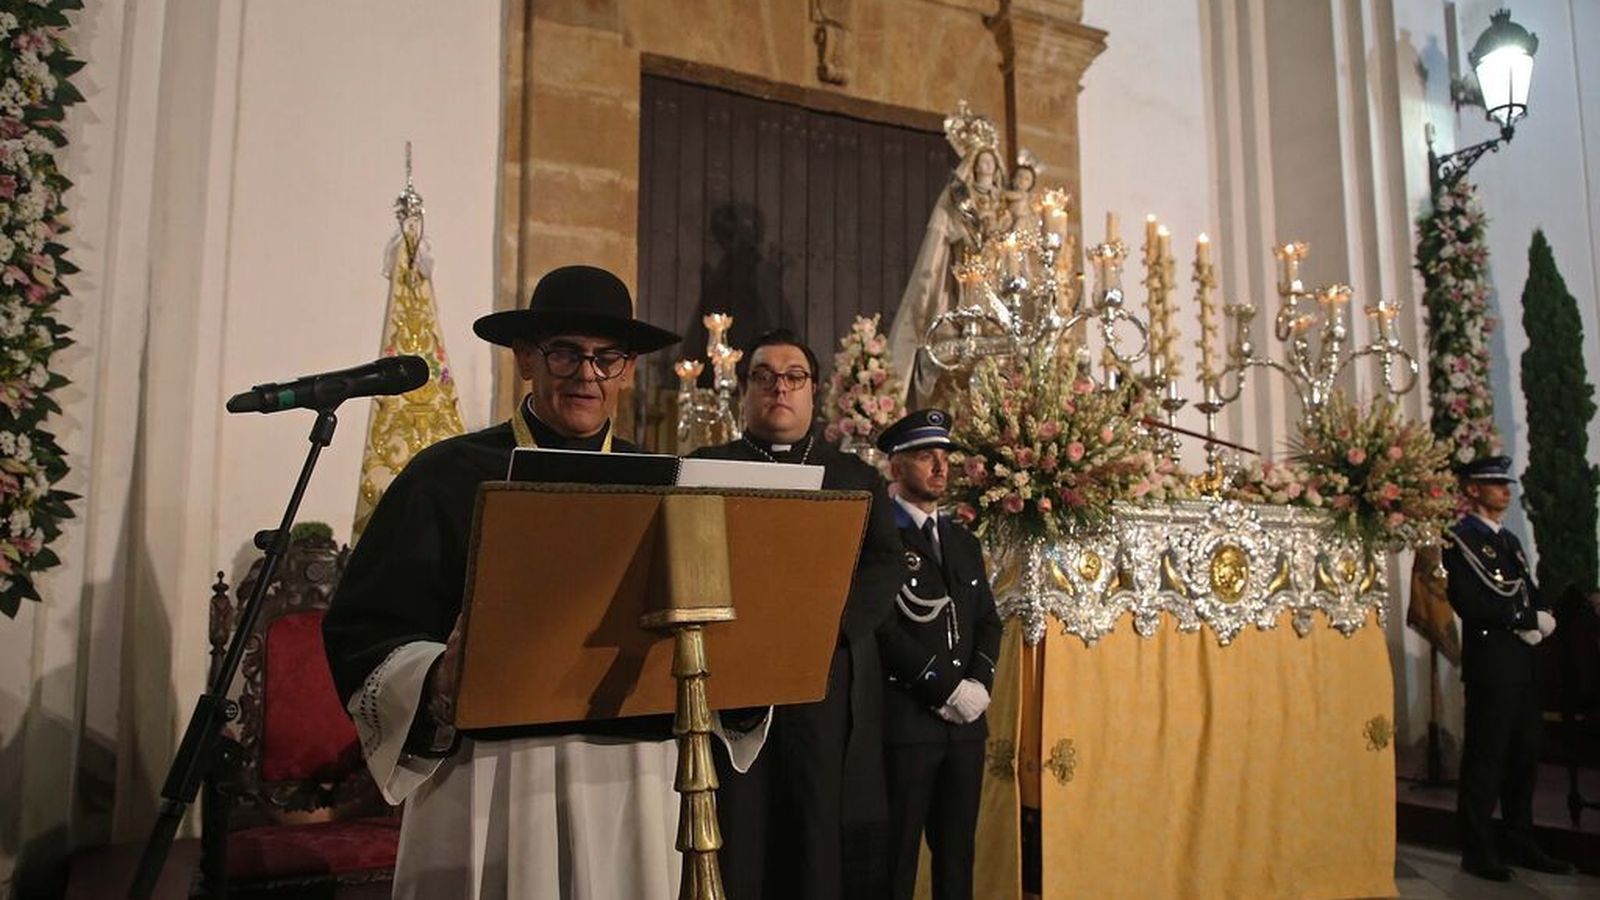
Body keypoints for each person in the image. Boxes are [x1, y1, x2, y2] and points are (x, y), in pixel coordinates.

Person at [322, 265, 687, 899]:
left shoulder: (664, 483)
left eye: (607, 359)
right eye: (565, 353)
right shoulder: (444, 475)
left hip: (630, 771)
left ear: (627, 370)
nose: (586, 375)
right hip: (491, 774)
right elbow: (365, 626)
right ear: (525, 359)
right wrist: (434, 675)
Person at [690, 329, 906, 900]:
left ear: (814, 392)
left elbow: (885, 563)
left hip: (821, 675)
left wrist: (831, 627)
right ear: (744, 391)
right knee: (739, 813)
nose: (779, 388)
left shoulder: (855, 479)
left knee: (814, 814)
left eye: (793, 377)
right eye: (764, 376)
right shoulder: (707, 467)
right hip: (730, 675)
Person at [873, 409, 1002, 900]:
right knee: (897, 862)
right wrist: (943, 687)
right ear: (895, 467)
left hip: (965, 728)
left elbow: (988, 621)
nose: (940, 466)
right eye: (925, 455)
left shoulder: (962, 542)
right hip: (908, 725)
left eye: (945, 456)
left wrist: (978, 685)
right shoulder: (880, 535)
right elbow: (882, 627)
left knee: (957, 863)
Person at [1442, 455, 1575, 881]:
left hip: (1522, 664)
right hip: (1493, 665)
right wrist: (1523, 620)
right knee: (1487, 758)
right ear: (1472, 490)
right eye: (1494, 483)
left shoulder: (1510, 541)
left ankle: (1520, 839)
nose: (1505, 490)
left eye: (1506, 483)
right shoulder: (1460, 539)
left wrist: (1542, 615)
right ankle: (1478, 849)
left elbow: (1527, 590)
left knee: (1523, 757)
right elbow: (1469, 601)